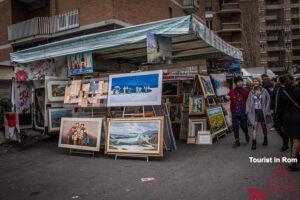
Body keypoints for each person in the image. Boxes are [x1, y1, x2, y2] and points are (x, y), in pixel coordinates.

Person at [277, 75, 300, 171]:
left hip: (286, 118)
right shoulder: (298, 90)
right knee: (297, 138)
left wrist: (278, 122)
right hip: (297, 117)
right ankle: (293, 161)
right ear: (292, 80)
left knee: (292, 137)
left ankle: (296, 158)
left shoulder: (281, 92)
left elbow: (279, 108)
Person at [246, 77, 271, 150]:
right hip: (255, 112)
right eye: (254, 81)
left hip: (262, 111)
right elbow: (248, 102)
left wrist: (266, 109)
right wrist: (248, 110)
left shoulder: (264, 91)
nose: (255, 82)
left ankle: (265, 138)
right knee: (254, 127)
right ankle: (254, 143)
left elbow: (268, 100)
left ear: (259, 82)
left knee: (263, 127)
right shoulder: (251, 92)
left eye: (256, 81)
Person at [227, 76, 250, 148]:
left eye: (241, 81)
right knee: (235, 126)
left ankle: (246, 134)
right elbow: (227, 97)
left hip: (243, 111)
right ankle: (237, 140)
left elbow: (249, 101)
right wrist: (226, 97)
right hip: (234, 111)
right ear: (235, 83)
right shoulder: (232, 91)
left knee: (244, 126)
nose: (240, 83)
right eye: (238, 82)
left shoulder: (246, 91)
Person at [271, 76, 289, 151]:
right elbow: (273, 98)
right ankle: (285, 141)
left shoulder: (288, 88)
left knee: (286, 128)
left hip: (286, 112)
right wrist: (271, 108)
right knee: (277, 127)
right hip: (276, 112)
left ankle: (285, 144)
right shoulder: (276, 88)